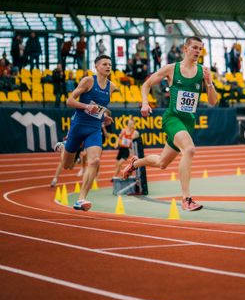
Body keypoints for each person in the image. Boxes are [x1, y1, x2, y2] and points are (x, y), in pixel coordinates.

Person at [122, 36, 219, 211]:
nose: (197, 51)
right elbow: (146, 85)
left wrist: (209, 83)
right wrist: (145, 103)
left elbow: (213, 102)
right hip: (172, 118)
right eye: (195, 47)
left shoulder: (202, 72)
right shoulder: (171, 69)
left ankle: (135, 163)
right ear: (185, 48)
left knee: (162, 163)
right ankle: (186, 199)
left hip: (188, 122)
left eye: (200, 49)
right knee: (189, 149)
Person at [56, 55, 117, 211]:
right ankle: (63, 147)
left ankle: (81, 199)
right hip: (78, 127)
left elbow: (98, 108)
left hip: (95, 128)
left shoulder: (111, 87)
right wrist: (85, 106)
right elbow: (69, 101)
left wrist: (104, 117)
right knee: (67, 165)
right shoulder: (88, 81)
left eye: (110, 64)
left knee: (95, 161)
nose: (108, 67)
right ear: (96, 67)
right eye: (104, 64)